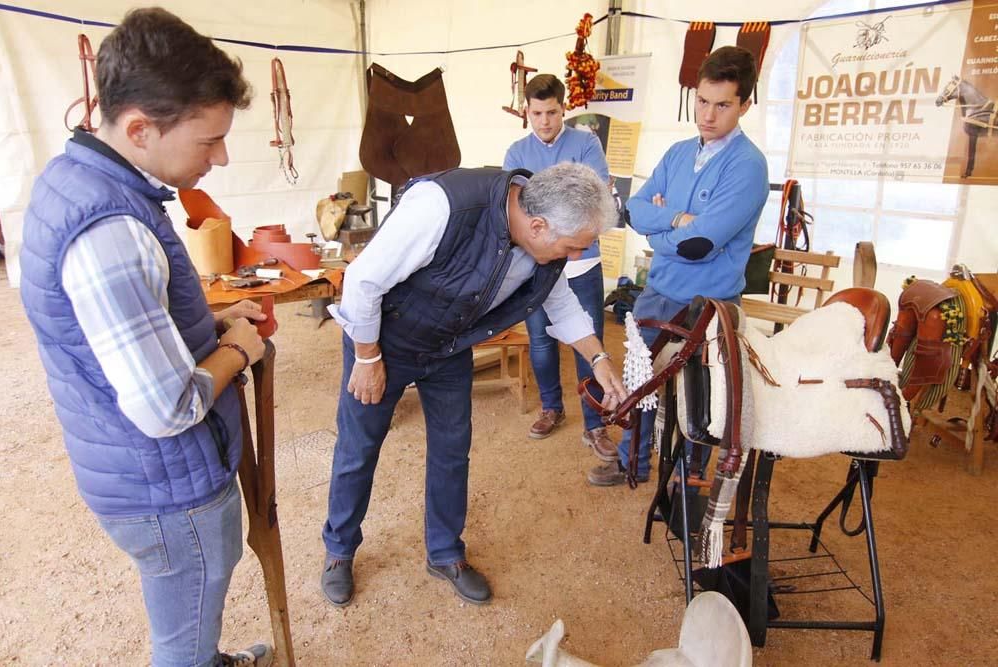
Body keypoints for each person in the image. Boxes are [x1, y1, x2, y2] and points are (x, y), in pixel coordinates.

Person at [19, 8, 272, 666]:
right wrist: (238, 347)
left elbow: (115, 330)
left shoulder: (78, 179)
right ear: (139, 127)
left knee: (189, 608)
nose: (220, 156)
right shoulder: (110, 232)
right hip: (164, 484)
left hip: (135, 470)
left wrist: (208, 324)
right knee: (184, 624)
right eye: (207, 139)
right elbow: (169, 405)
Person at [321, 162, 626, 607]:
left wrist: (598, 358)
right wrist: (368, 357)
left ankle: (445, 553)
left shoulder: (546, 247)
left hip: (447, 345)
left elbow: (558, 303)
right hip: (385, 340)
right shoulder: (443, 207)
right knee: (359, 446)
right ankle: (339, 550)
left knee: (451, 449)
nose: (576, 256)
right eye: (573, 247)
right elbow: (363, 282)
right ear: (538, 226)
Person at [587, 46, 769, 487]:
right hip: (659, 290)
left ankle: (688, 478)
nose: (708, 115)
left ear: (745, 104)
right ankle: (634, 462)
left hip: (710, 301)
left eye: (723, 104)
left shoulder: (748, 166)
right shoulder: (677, 152)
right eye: (702, 101)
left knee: (701, 395)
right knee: (638, 378)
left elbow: (700, 245)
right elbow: (632, 210)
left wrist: (661, 232)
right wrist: (673, 220)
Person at [503, 74, 618, 461]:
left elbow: (596, 200)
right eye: (537, 113)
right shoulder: (515, 152)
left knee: (587, 340)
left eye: (552, 112)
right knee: (540, 340)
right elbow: (517, 211)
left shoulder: (586, 142)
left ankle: (595, 422)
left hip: (582, 261)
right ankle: (551, 407)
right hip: (536, 264)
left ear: (564, 109)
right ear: (527, 112)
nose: (545, 121)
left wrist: (549, 216)